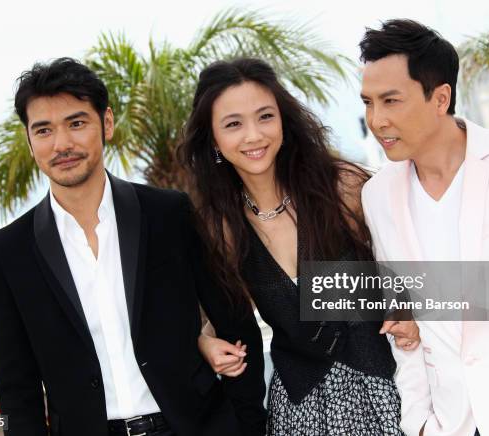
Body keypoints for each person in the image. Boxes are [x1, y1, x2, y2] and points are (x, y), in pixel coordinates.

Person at [0, 57, 266, 436]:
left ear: (107, 123)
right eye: (44, 130)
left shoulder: (169, 214)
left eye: (77, 123)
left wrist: (247, 426)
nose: (62, 144)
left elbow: (236, 323)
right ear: (30, 142)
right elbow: (18, 392)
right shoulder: (6, 253)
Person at [178, 57, 419, 436]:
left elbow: (412, 271)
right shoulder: (220, 228)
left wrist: (407, 305)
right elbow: (210, 319)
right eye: (233, 124)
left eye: (265, 117)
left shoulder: (344, 190)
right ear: (213, 140)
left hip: (392, 394)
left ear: (284, 122)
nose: (254, 135)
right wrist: (205, 342)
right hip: (299, 411)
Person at [359, 19, 489, 436]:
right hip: (451, 423)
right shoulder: (377, 195)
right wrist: (419, 424)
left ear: (440, 97)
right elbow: (404, 322)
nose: (376, 120)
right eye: (368, 102)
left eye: (391, 100)